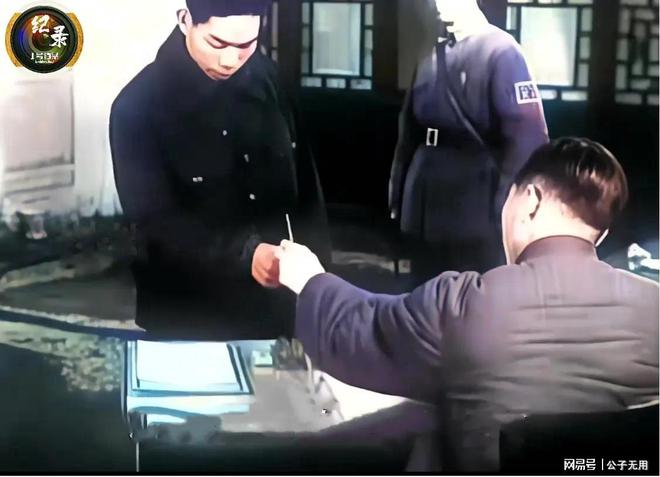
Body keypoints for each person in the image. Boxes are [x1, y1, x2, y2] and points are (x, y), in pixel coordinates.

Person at [276, 138, 659, 472]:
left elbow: (360, 331)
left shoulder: (466, 303)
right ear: (600, 235)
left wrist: (308, 278)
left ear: (529, 201)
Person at [109, 0, 330, 339]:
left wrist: (322, 289)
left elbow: (307, 193)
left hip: (279, 310)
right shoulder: (137, 105)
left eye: (246, 45)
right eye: (217, 43)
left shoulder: (271, 81)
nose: (230, 60)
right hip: (187, 315)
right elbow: (154, 221)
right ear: (185, 20)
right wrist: (246, 254)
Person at [389, 0, 548, 281]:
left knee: (471, 289)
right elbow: (408, 133)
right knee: (423, 288)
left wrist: (509, 206)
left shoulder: (502, 51)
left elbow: (526, 139)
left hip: (473, 198)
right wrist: (399, 191)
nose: (439, 5)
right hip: (425, 193)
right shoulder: (431, 54)